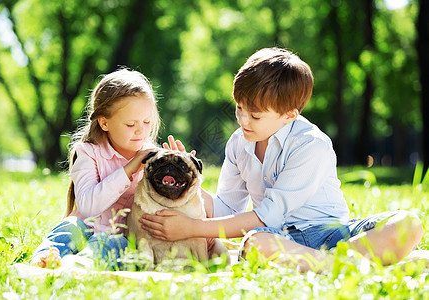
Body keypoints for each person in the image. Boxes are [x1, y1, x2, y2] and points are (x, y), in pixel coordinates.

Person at [140, 47, 423, 272]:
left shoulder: (311, 144)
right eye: (239, 109)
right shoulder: (239, 142)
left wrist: (192, 228)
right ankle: (352, 265)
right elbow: (228, 206)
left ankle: (328, 264)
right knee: (255, 244)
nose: (243, 120)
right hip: (280, 239)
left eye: (255, 115)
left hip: (335, 234)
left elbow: (269, 214)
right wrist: (186, 178)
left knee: (408, 224)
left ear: (290, 114)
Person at [31, 68, 160, 269]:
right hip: (85, 225)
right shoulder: (88, 152)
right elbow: (88, 207)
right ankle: (43, 261)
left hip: (120, 235)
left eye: (146, 122)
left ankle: (75, 267)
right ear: (104, 122)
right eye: (130, 124)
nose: (141, 130)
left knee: (108, 245)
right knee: (68, 229)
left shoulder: (153, 158)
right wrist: (129, 169)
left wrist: (179, 169)